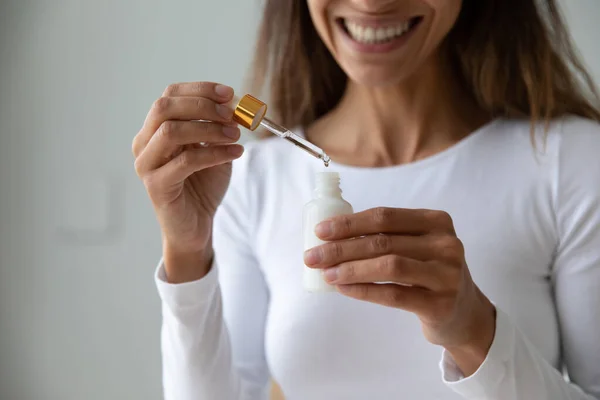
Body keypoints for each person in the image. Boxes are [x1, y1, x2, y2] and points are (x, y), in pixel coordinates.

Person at [132, 0, 600, 398]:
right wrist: (187, 253)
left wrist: (478, 336)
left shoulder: (571, 163)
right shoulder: (251, 180)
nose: (373, 3)